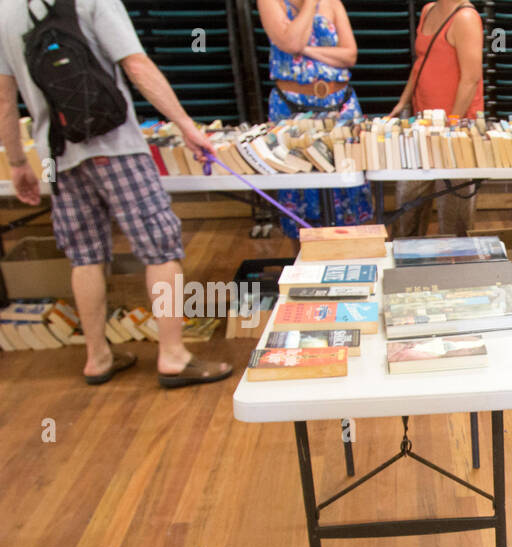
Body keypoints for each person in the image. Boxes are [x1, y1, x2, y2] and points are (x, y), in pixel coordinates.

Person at [0, 0, 232, 387]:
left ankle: (98, 357)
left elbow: (5, 100)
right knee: (161, 248)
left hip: (55, 154)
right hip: (115, 146)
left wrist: (18, 162)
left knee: (83, 255)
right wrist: (187, 127)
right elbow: (137, 65)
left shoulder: (5, 11)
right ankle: (173, 356)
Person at [258, 0, 373, 238]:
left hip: (341, 105)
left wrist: (306, 51)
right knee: (299, 182)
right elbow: (291, 42)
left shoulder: (333, 3)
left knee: (349, 177)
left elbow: (350, 55)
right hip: (291, 108)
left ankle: (354, 252)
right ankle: (305, 263)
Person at [389, 0, 484, 238]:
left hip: (456, 131)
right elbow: (420, 62)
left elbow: (470, 78)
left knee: (454, 219)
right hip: (422, 125)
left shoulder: (465, 18)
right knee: (406, 208)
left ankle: (456, 270)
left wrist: (451, 123)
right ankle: (406, 269)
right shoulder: (428, 10)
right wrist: (403, 101)